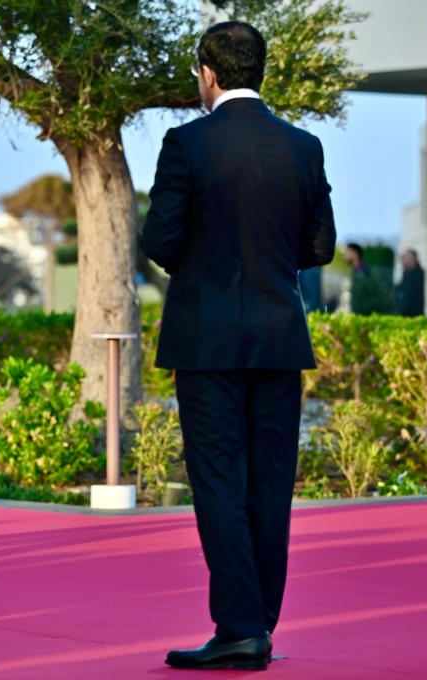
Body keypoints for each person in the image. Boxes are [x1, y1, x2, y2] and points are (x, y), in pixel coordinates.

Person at [142, 21, 335, 671]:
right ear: (261, 71)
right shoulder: (304, 147)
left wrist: (207, 264)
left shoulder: (186, 143)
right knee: (270, 485)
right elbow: (320, 246)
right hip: (280, 336)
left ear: (208, 73)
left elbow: (160, 241)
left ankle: (240, 629)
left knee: (220, 483)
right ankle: (259, 626)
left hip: (206, 340)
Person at [394, 248, 425, 316]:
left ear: (412, 259)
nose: (402, 261)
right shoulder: (406, 273)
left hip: (414, 314)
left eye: (404, 258)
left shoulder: (417, 275)